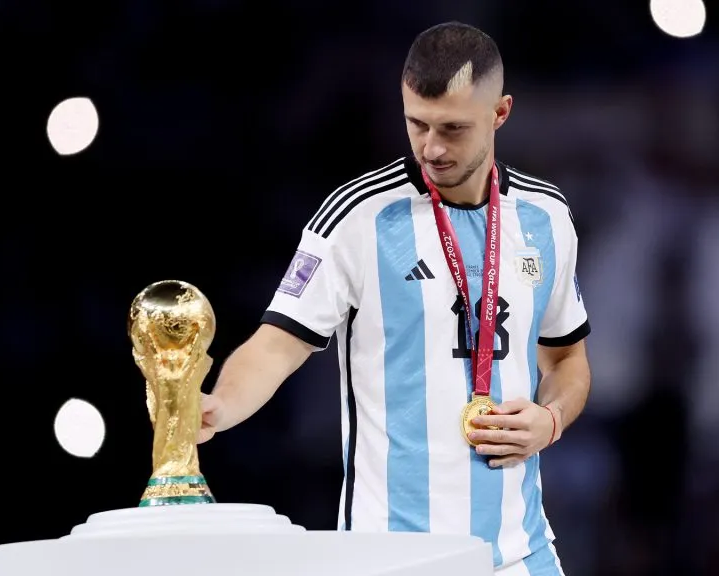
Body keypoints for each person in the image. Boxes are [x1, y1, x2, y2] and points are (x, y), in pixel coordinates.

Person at [200, 21, 592, 576]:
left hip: (521, 554)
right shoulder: (356, 217)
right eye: (417, 124)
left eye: (453, 128)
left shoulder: (547, 217)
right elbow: (276, 345)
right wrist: (219, 406)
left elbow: (568, 360)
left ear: (500, 113)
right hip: (392, 558)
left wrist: (549, 420)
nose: (431, 147)